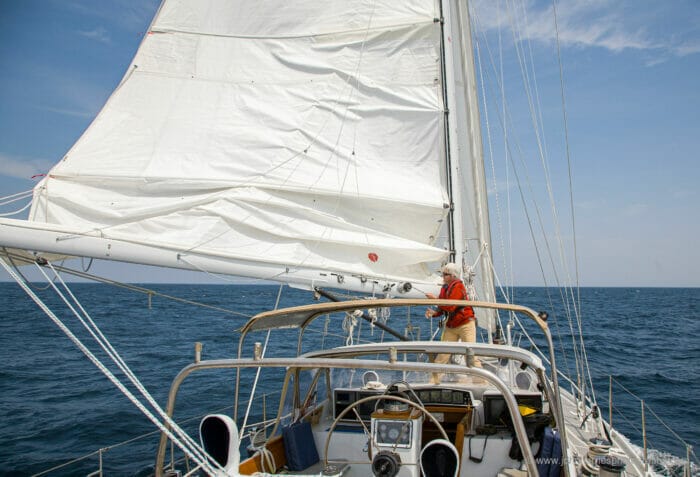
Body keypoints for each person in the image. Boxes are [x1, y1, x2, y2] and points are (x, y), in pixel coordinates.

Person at [425, 262, 481, 384]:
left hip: (465, 323)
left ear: (453, 276)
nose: (443, 277)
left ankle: (481, 382)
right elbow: (443, 307)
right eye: (443, 274)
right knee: (442, 355)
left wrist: (434, 299)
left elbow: (450, 306)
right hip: (451, 325)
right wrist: (434, 313)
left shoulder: (458, 286)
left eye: (445, 274)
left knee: (470, 355)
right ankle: (434, 382)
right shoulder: (444, 287)